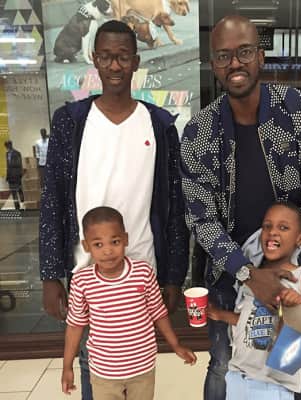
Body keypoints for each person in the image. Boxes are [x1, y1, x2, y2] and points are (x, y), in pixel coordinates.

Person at [180, 15, 301, 400]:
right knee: (224, 364)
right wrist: (248, 272)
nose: (235, 63)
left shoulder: (296, 110)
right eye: (223, 56)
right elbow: (201, 218)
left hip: (288, 276)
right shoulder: (199, 132)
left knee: (293, 363)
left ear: (260, 56)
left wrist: (285, 251)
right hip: (226, 277)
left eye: (244, 52)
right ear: (213, 65)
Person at [39, 20, 189, 400]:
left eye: (123, 57)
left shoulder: (158, 125)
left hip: (142, 270)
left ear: (136, 61)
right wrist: (50, 274)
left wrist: (173, 276)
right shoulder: (72, 122)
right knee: (93, 364)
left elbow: (174, 206)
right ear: (94, 59)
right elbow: (53, 199)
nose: (115, 66)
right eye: (106, 57)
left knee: (137, 365)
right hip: (86, 272)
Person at [61, 206, 196, 400]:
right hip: (104, 372)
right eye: (98, 244)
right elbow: (75, 326)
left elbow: (158, 313)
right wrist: (67, 366)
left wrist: (176, 345)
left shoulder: (143, 273)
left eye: (115, 242)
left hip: (142, 368)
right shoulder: (82, 281)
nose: (108, 250)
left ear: (125, 239)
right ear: (86, 246)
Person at [207, 202, 301, 400]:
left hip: (274, 383)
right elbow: (249, 318)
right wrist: (220, 315)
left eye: (283, 227)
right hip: (238, 375)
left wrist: (295, 306)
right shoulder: (254, 276)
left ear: (300, 239)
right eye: (267, 226)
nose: (272, 232)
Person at [4, 140, 25, 210]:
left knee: (19, 190)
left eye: (8, 145)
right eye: (6, 146)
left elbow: (19, 164)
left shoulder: (17, 153)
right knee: (13, 192)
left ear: (11, 145)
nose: (7, 147)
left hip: (16, 175)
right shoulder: (7, 154)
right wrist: (7, 176)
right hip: (10, 176)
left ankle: (23, 203)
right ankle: (17, 206)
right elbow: (7, 165)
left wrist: (20, 174)